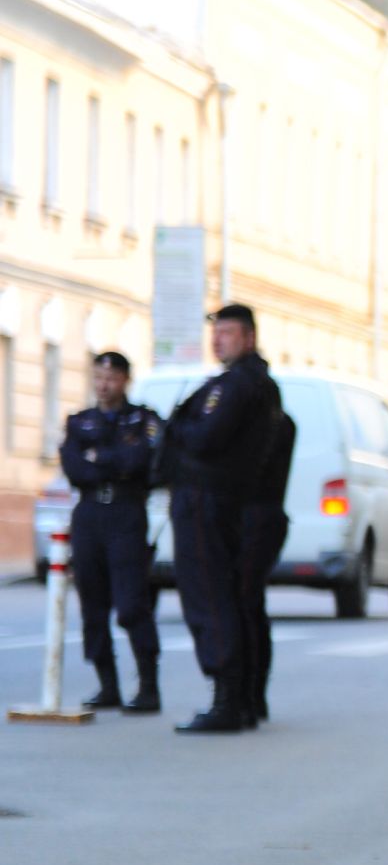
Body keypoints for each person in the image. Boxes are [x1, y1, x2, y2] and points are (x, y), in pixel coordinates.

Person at [161, 304, 283, 735]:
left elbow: (204, 438)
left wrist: (175, 432)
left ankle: (227, 699)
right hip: (221, 500)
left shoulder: (237, 385)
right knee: (225, 596)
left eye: (227, 333)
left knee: (209, 596)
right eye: (216, 332)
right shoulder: (254, 384)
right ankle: (240, 697)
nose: (218, 340)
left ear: (248, 337)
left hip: (205, 499)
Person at [59, 351, 164, 714]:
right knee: (92, 601)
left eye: (112, 378)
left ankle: (149, 687)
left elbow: (140, 462)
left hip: (126, 512)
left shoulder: (142, 420)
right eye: (98, 378)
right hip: (89, 514)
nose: (104, 386)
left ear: (125, 380)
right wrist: (113, 460)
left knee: (132, 602)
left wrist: (99, 458)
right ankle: (108, 686)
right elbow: (75, 468)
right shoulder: (79, 422)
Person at [238, 406, 295, 722]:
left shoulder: (276, 422)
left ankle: (251, 695)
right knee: (248, 603)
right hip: (247, 518)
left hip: (260, 518)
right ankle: (248, 695)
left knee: (247, 602)